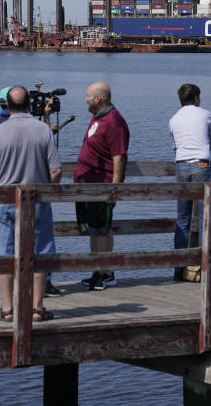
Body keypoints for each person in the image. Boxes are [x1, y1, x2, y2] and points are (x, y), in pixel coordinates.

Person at [0, 86, 62, 321]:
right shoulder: (44, 131)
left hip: (5, 199)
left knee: (3, 253)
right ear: (29, 105)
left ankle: (7, 308)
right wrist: (47, 188)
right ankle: (37, 308)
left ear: (7, 106)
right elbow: (56, 170)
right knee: (40, 251)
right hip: (37, 199)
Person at [74, 81, 129, 291]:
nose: (85, 99)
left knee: (100, 230)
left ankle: (102, 273)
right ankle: (102, 271)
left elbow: (119, 157)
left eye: (88, 95)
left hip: (102, 186)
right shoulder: (98, 117)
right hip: (86, 185)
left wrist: (114, 189)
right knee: (96, 230)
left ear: (98, 98)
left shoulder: (114, 121)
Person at [168, 83, 211, 281]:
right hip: (201, 166)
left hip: (181, 167)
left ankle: (179, 266)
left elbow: (175, 146)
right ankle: (203, 266)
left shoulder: (173, 119)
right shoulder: (205, 114)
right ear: (196, 98)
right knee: (204, 219)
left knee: (182, 218)